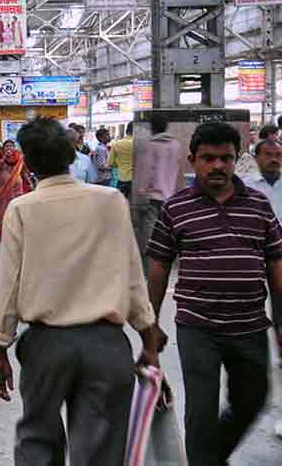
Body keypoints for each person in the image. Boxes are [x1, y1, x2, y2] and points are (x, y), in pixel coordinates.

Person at [0, 118, 157, 466]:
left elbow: (9, 286)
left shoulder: (22, 209)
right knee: (101, 450)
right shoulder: (111, 200)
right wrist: (149, 341)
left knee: (37, 440)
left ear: (29, 163)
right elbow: (132, 276)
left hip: (46, 347)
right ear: (70, 154)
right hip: (106, 345)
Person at [143, 122, 282, 465]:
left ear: (237, 160)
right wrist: (151, 325)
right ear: (193, 160)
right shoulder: (176, 208)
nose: (217, 166)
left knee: (254, 398)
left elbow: (276, 267)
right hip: (198, 327)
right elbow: (158, 267)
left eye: (225, 158)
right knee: (201, 412)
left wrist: (281, 324)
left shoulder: (259, 206)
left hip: (249, 325)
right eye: (208, 158)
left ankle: (212, 457)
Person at [132, 114, 184, 273]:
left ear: (152, 127)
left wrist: (138, 195)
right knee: (168, 235)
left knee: (150, 237)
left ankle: (150, 273)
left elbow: (145, 172)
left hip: (152, 199)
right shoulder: (176, 145)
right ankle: (168, 268)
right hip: (171, 198)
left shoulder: (150, 145)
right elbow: (178, 171)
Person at [0, 139, 33, 240]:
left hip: (17, 188)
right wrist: (3, 159)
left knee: (17, 209)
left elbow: (23, 172)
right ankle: (2, 233)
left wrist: (29, 182)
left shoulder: (19, 157)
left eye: (11, 146)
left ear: (14, 148)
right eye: (7, 146)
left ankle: (16, 232)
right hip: (3, 188)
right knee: (3, 210)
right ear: (3, 148)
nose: (9, 148)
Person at [244, 139, 282, 217]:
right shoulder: (245, 185)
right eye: (268, 155)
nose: (274, 159)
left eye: (278, 155)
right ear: (256, 158)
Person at [110, 122, 135, 198]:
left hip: (122, 179)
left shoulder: (116, 144)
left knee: (120, 202)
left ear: (126, 131)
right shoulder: (139, 144)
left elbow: (111, 163)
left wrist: (120, 164)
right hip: (135, 181)